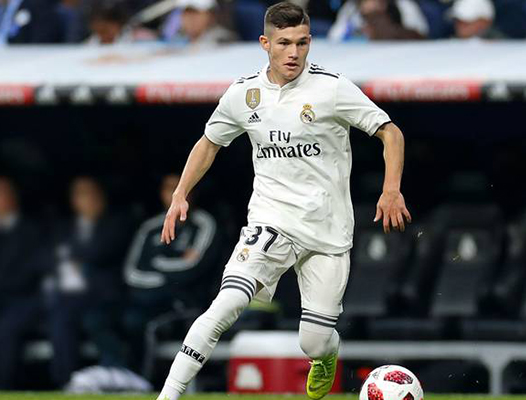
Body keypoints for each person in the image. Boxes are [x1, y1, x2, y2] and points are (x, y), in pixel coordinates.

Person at [155, 3, 411, 400]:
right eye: (284, 43)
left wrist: (391, 188)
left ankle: (326, 354)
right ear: (265, 43)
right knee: (225, 305)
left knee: (314, 341)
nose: (294, 53)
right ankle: (168, 395)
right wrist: (180, 193)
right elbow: (209, 142)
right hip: (270, 221)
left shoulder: (331, 88)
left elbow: (390, 132)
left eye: (302, 43)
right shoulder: (244, 94)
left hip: (327, 229)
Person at [122, 173, 221, 371]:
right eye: (169, 188)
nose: (176, 193)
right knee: (115, 316)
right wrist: (171, 272)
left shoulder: (203, 223)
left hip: (186, 303)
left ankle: (143, 381)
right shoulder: (151, 228)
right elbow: (131, 273)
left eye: (181, 186)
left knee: (141, 322)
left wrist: (156, 263)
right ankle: (121, 375)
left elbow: (195, 269)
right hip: (148, 299)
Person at [48, 177, 132, 385]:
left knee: (92, 319)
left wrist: (75, 259)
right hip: (70, 297)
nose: (88, 199)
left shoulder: (118, 222)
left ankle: (116, 375)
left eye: (91, 193)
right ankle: (66, 381)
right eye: (81, 194)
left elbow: (102, 252)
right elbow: (50, 257)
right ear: (73, 200)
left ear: (102, 196)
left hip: (107, 296)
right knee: (59, 315)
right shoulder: (65, 228)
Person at [0, 177, 47, 389]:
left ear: (13, 197)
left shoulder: (34, 230)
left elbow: (34, 271)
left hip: (25, 298)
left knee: (6, 329)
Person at [328, 0, 428, 41]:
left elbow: (422, 34)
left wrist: (383, 24)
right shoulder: (352, 8)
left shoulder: (401, 4)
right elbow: (334, 37)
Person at [165, 0, 237, 45]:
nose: (190, 18)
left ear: (211, 15)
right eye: (186, 13)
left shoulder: (223, 40)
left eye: (195, 12)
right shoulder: (175, 41)